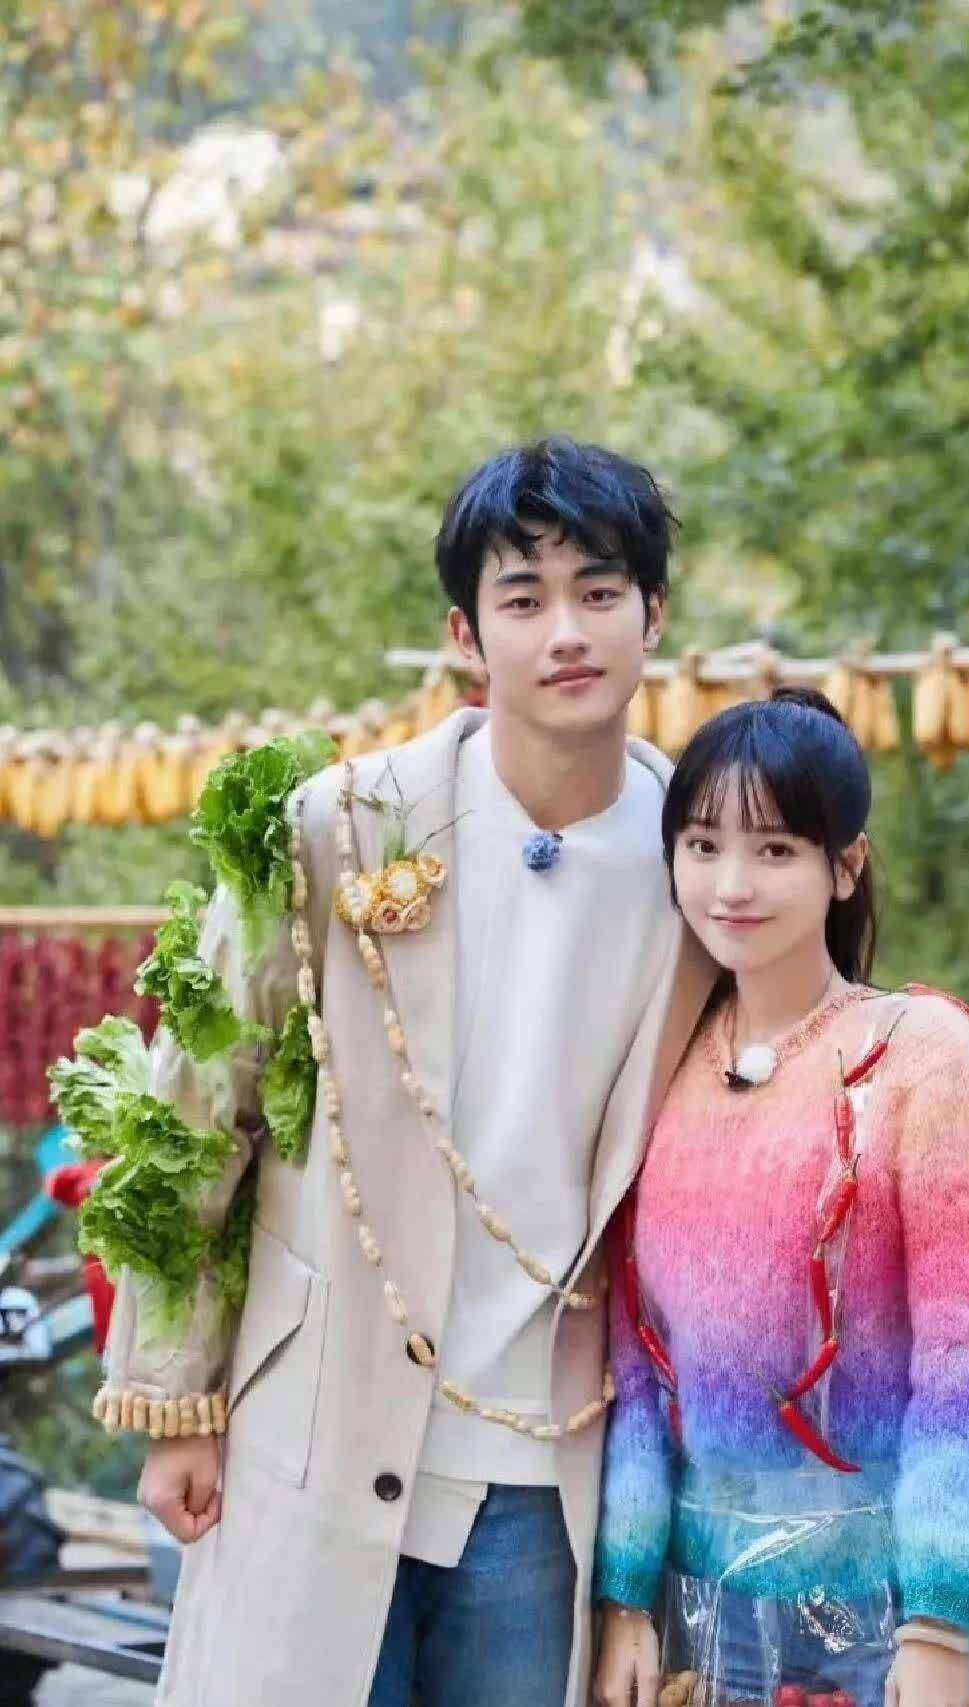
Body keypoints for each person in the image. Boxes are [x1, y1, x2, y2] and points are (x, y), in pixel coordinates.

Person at [61, 436, 719, 1707]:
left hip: (544, 1466)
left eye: (597, 591)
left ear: (653, 614)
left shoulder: (702, 864)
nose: (564, 631)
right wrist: (172, 1400)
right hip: (312, 1424)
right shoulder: (338, 824)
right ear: (465, 635)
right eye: (522, 598)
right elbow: (197, 1111)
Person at [592, 689, 969, 1707]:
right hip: (698, 1617)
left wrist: (938, 1624)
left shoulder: (924, 1059)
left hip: (886, 1619)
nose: (731, 884)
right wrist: (623, 1593)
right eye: (702, 845)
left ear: (845, 865)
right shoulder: (658, 1064)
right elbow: (633, 1363)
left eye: (775, 850)